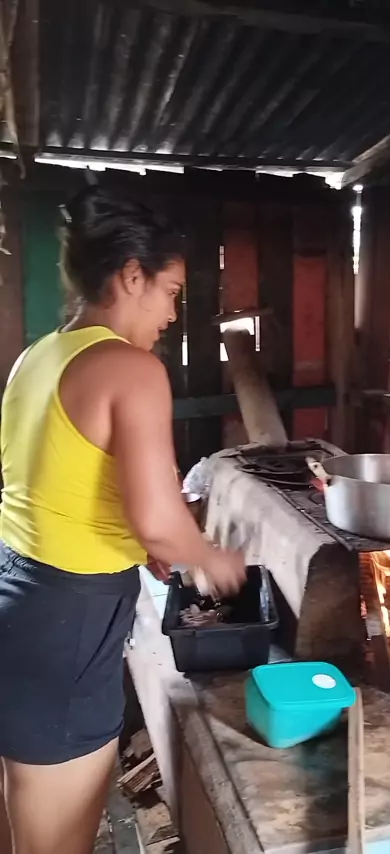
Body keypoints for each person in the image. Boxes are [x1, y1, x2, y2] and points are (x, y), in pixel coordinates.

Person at [0, 186, 245, 854]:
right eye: (170, 291)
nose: (171, 312)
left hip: (16, 593)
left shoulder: (38, 357)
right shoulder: (130, 368)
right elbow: (163, 522)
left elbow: (61, 483)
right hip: (69, 621)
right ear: (132, 276)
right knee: (57, 838)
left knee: (22, 810)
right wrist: (212, 558)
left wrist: (140, 541)